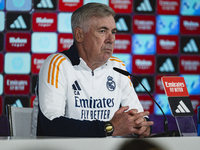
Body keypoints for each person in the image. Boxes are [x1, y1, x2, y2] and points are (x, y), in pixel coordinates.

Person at [31, 2, 154, 137]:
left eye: (113, 32)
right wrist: (108, 128)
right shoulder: (57, 64)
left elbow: (136, 117)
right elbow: (51, 125)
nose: (111, 39)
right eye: (102, 31)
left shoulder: (118, 67)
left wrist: (142, 127)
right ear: (79, 35)